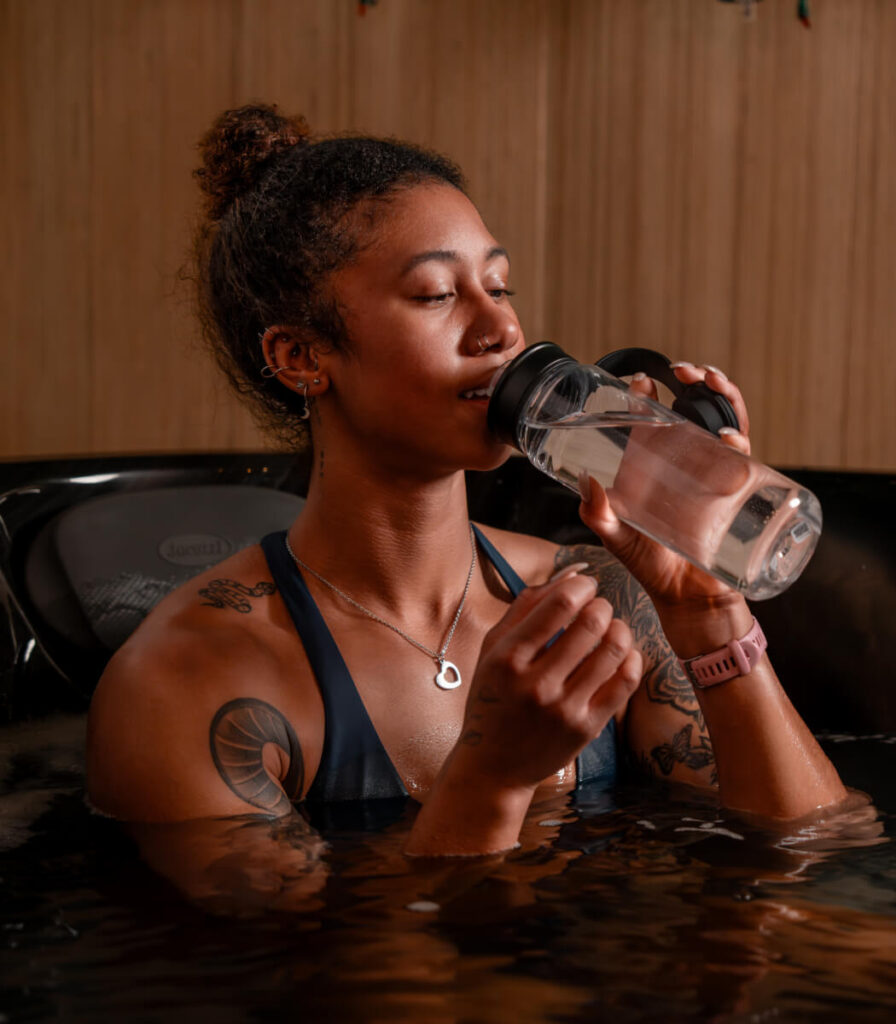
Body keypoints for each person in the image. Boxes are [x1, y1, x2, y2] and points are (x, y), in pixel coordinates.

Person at [87, 104, 849, 873]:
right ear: (301, 357)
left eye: (499, 286)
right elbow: (316, 954)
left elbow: (810, 860)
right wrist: (491, 779)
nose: (501, 330)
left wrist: (708, 615)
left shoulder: (600, 596)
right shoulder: (183, 685)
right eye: (435, 294)